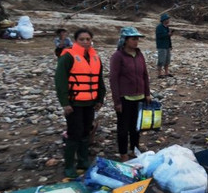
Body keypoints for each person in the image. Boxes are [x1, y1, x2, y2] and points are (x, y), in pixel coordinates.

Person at [55, 28, 105, 178]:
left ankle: (83, 162)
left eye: (88, 39)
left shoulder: (95, 58)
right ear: (76, 41)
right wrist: (65, 103)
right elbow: (60, 81)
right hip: (74, 104)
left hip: (90, 103)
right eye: (81, 39)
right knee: (73, 134)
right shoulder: (68, 56)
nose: (85, 42)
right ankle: (69, 166)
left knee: (85, 132)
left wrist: (100, 99)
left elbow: (99, 80)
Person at [110, 26, 151, 161]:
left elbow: (145, 75)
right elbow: (114, 79)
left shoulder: (139, 54)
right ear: (125, 40)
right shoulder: (118, 56)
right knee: (123, 128)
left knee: (136, 126)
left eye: (137, 39)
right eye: (133, 39)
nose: (136, 41)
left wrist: (147, 93)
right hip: (125, 98)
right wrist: (117, 101)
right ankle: (123, 154)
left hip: (140, 97)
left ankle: (134, 149)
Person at [155, 12, 174, 78]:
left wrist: (170, 45)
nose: (168, 20)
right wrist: (167, 34)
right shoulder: (159, 27)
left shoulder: (167, 27)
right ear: (164, 20)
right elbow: (159, 36)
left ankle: (166, 72)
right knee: (161, 60)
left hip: (167, 45)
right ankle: (159, 74)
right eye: (167, 19)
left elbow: (168, 37)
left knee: (167, 60)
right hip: (161, 46)